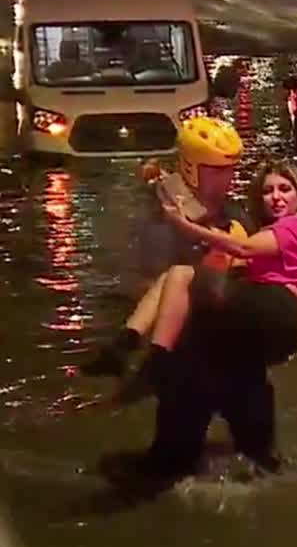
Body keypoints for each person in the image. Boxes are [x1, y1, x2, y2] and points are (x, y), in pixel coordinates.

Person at [144, 159, 297, 477]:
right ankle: (258, 455)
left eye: (285, 189)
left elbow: (241, 248)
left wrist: (184, 225)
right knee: (224, 364)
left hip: (275, 307)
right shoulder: (268, 231)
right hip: (267, 321)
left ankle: (158, 363)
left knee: (183, 277)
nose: (276, 197)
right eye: (268, 191)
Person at [82, 116, 251, 378]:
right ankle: (127, 345)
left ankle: (130, 346)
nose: (227, 177)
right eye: (217, 170)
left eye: (230, 169)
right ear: (191, 168)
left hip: (218, 300)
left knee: (177, 274)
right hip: (181, 297)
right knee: (171, 276)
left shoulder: (235, 215)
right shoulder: (159, 209)